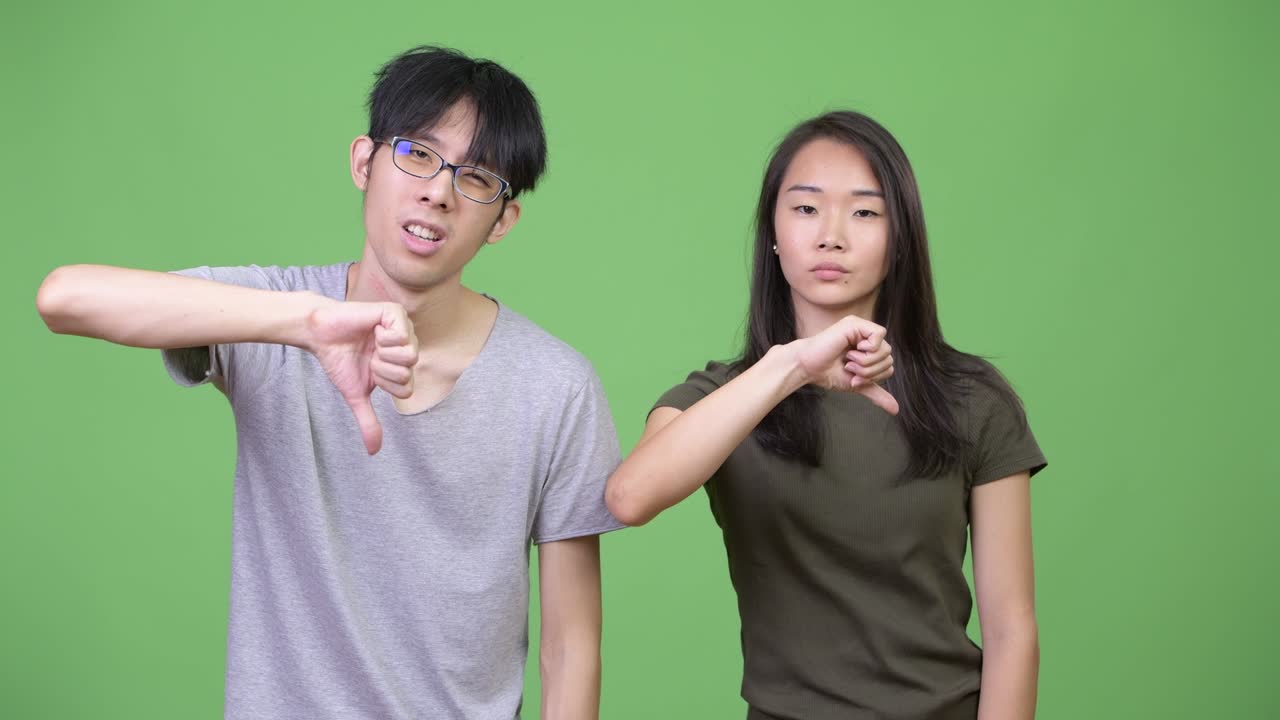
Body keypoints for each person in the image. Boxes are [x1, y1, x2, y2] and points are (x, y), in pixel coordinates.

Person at [36, 46, 622, 720]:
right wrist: (309, 324)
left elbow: (570, 648)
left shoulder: (555, 386)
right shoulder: (273, 316)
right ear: (363, 163)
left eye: (478, 177)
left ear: (504, 220)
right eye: (418, 154)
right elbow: (65, 298)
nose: (438, 190)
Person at [606, 111, 1046, 720]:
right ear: (774, 235)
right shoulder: (726, 395)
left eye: (865, 212)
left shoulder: (972, 398)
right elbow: (630, 497)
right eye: (806, 209)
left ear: (899, 243)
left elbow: (1011, 633)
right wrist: (788, 371)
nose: (831, 235)